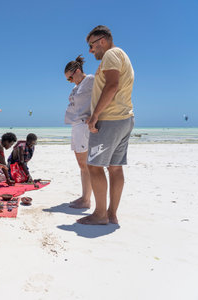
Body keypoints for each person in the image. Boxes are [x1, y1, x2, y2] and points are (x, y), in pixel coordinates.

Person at [77, 25, 135, 225]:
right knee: (115, 168)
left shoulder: (111, 55)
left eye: (91, 45)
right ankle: (111, 214)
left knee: (93, 166)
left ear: (102, 40)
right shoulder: (122, 55)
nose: (90, 51)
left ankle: (100, 214)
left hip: (110, 120)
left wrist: (95, 116)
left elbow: (112, 86)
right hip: (125, 118)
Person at [64, 55, 94, 209]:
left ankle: (86, 200)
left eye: (70, 78)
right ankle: (84, 197)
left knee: (85, 164)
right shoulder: (76, 87)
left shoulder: (90, 80)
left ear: (76, 71)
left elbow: (103, 96)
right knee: (81, 164)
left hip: (83, 125)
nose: (70, 81)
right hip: (75, 126)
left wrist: (95, 115)